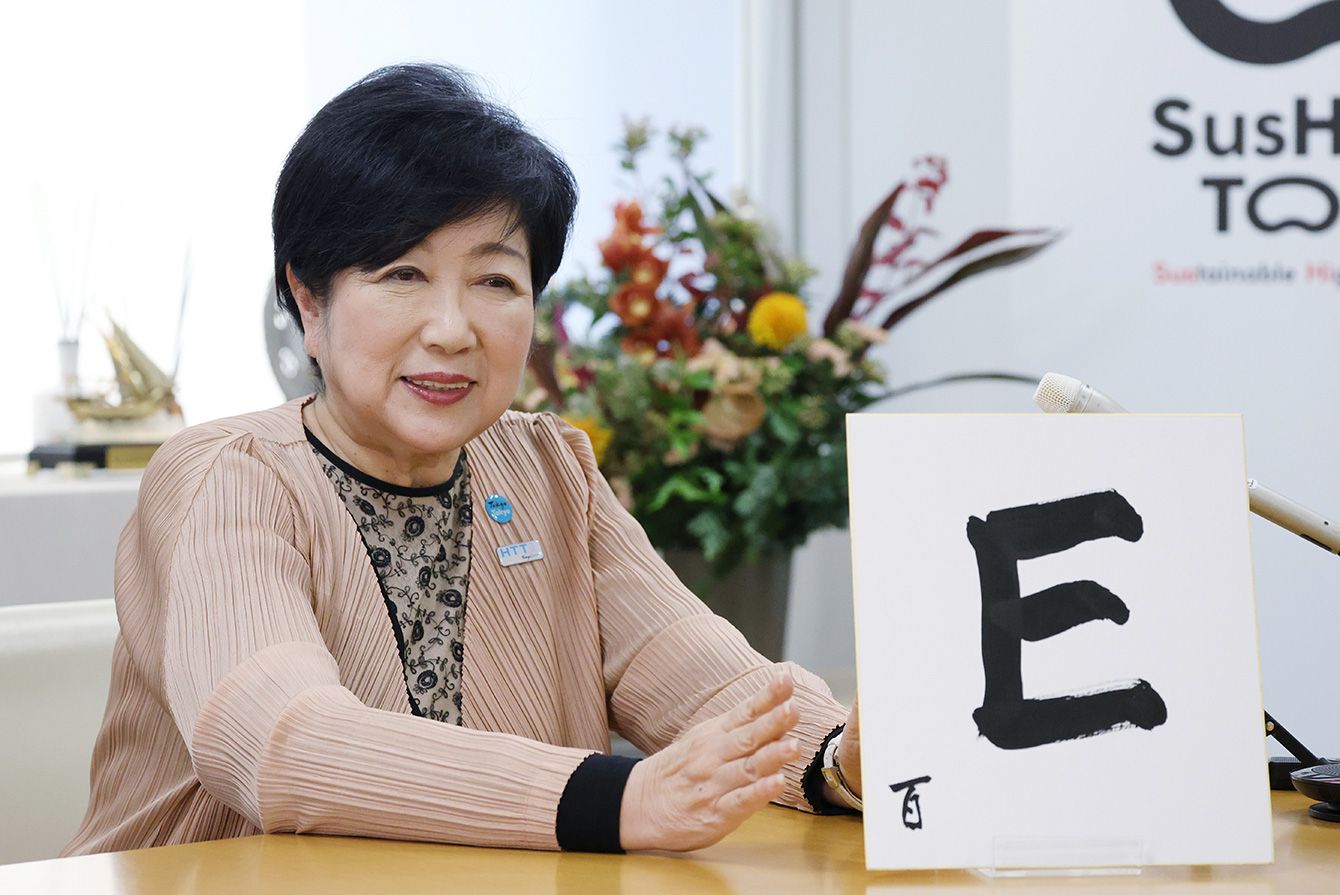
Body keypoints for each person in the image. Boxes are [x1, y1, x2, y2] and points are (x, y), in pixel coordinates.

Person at [64, 63, 862, 858]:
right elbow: (283, 742)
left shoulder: (550, 467)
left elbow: (696, 672)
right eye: (402, 274)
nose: (451, 329)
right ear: (309, 300)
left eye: (494, 280)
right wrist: (616, 799)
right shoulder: (227, 475)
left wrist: (838, 758)